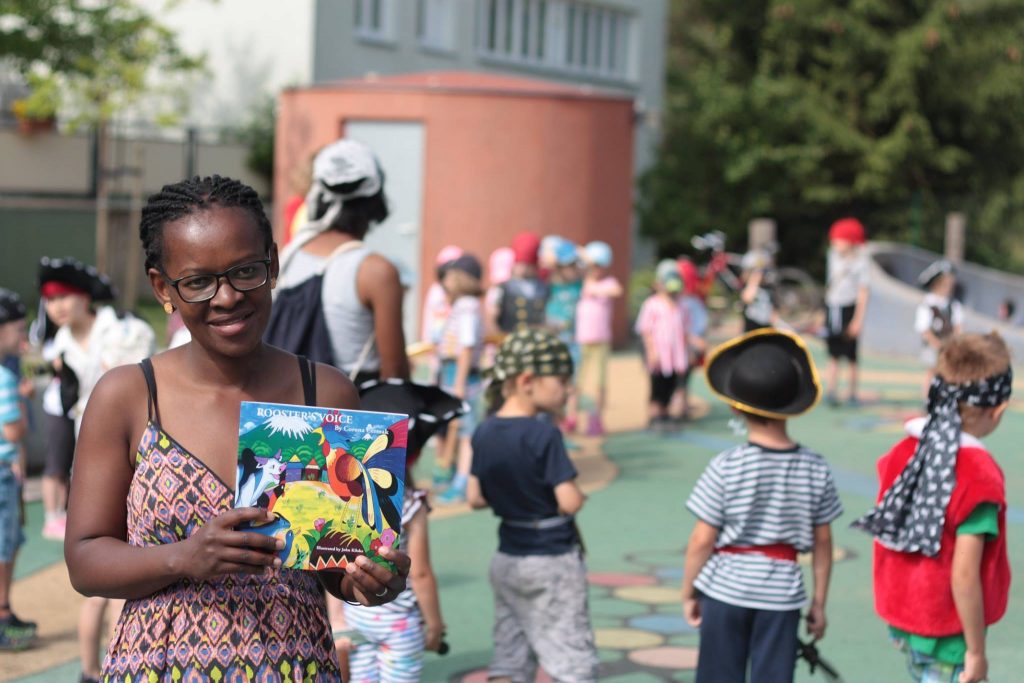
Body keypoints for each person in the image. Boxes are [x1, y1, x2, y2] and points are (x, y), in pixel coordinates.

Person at [64, 175, 412, 682]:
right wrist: (184, 557)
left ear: (271, 264)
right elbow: (84, 559)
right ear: (163, 287)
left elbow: (338, 563)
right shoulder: (129, 396)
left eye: (244, 271)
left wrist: (370, 580)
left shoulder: (327, 393)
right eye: (198, 281)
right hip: (159, 667)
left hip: (296, 666)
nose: (226, 297)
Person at [682, 329, 843, 683]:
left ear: (735, 405)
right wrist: (819, 602)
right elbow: (823, 543)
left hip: (725, 589)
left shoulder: (726, 465)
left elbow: (701, 540)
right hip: (782, 593)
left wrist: (689, 591)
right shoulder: (815, 467)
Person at [853, 332, 1012, 683]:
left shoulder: (904, 452)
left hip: (905, 614)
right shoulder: (978, 477)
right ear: (996, 409)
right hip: (949, 629)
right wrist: (976, 651)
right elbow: (965, 575)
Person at [467, 328, 598, 683]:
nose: (568, 389)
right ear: (528, 380)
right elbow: (568, 501)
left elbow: (475, 498)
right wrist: (579, 495)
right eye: (562, 380)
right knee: (570, 656)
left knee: (511, 652)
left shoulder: (484, 432)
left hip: (508, 556)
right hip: (552, 558)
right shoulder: (544, 434)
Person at [277, 138, 410, 384]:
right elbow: (395, 375)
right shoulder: (376, 271)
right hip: (348, 411)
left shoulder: (288, 256)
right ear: (375, 197)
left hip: (283, 409)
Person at [338, 485, 446, 680]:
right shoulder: (409, 502)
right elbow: (420, 574)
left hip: (357, 616)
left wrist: (337, 618)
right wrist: (435, 625)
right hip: (399, 622)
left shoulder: (343, 497)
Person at [433, 254, 486, 504]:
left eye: (452, 276)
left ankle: (463, 481)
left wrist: (459, 384)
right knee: (456, 426)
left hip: (461, 376)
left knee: (465, 432)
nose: (446, 281)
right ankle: (455, 474)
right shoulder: (462, 305)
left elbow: (466, 346)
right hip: (452, 373)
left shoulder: (467, 307)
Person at [0, 288, 36, 651]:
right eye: (17, 330)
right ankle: (2, 616)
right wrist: (24, 400)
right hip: (2, 474)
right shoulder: (5, 379)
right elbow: (13, 430)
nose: (23, 339)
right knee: (4, 546)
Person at [575, 241, 622, 436]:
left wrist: (594, 288)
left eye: (599, 265)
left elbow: (617, 291)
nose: (596, 269)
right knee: (577, 381)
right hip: (581, 339)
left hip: (601, 339)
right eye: (593, 265)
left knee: (599, 382)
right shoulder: (581, 281)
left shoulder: (608, 283)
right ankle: (571, 416)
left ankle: (596, 418)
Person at [635, 263, 689, 432]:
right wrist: (651, 351)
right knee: (657, 386)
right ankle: (654, 416)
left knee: (671, 385)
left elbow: (685, 330)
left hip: (675, 356)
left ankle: (665, 414)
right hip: (659, 356)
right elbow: (645, 330)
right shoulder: (652, 304)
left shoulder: (681, 305)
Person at [823, 218, 870, 407]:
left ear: (850, 241)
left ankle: (852, 393)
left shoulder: (861, 262)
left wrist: (858, 320)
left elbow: (863, 291)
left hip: (850, 307)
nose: (834, 243)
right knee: (833, 353)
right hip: (833, 306)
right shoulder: (832, 255)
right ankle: (831, 390)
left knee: (851, 355)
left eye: (839, 239)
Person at [545, 238, 583, 433]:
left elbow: (590, 264)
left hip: (572, 342)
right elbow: (543, 264)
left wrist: (575, 251)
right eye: (566, 265)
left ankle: (571, 420)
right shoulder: (549, 283)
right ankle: (556, 421)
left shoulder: (578, 284)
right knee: (554, 384)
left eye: (573, 264)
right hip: (553, 342)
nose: (571, 268)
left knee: (572, 384)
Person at [915, 260, 964, 390]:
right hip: (933, 347)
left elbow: (958, 326)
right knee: (931, 373)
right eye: (946, 284)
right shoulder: (928, 304)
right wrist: (938, 345)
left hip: (949, 346)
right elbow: (924, 329)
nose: (949, 287)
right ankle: (928, 402)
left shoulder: (953, 305)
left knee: (949, 375)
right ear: (937, 284)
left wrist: (953, 343)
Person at [671, 258, 709, 421]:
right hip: (674, 347)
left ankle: (682, 404)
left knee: (684, 378)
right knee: (675, 379)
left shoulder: (692, 301)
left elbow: (700, 324)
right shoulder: (673, 301)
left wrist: (695, 341)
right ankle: (677, 404)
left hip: (688, 346)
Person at [490, 232, 548, 335]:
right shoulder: (503, 288)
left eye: (527, 265)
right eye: (520, 264)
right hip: (510, 339)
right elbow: (493, 315)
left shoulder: (543, 287)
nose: (523, 268)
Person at [739, 248, 775, 332]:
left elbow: (774, 311)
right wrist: (754, 281)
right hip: (751, 328)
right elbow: (747, 298)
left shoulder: (769, 288)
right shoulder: (748, 287)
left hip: (766, 327)